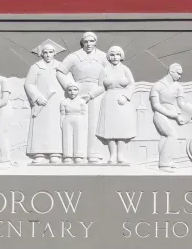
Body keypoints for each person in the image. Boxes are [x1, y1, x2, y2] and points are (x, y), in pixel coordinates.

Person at [56, 31, 108, 164]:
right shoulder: (74, 57)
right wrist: (70, 88)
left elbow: (108, 77)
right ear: (82, 42)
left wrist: (93, 94)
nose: (89, 44)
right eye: (86, 41)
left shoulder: (103, 57)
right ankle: (75, 154)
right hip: (77, 93)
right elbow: (61, 72)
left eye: (91, 41)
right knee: (77, 123)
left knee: (94, 123)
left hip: (96, 91)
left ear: (96, 42)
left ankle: (93, 153)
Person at [23, 39, 65, 164]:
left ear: (54, 53)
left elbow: (67, 81)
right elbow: (29, 84)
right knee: (40, 127)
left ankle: (55, 152)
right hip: (41, 103)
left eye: (50, 52)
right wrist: (37, 97)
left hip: (56, 101)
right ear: (42, 54)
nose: (48, 55)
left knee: (55, 126)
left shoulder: (60, 66)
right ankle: (39, 153)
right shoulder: (36, 67)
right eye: (45, 52)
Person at [150, 63, 192, 172]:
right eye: (178, 73)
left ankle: (167, 160)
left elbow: (181, 104)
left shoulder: (178, 87)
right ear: (171, 71)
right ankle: (164, 163)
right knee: (172, 135)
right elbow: (155, 105)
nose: (180, 76)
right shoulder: (157, 85)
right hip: (161, 114)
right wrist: (169, 113)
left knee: (165, 137)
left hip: (173, 115)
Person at [95, 46, 137, 165]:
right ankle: (112, 155)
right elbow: (100, 87)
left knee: (121, 128)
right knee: (110, 129)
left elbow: (131, 84)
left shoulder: (125, 69)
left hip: (123, 101)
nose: (115, 57)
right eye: (112, 54)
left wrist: (126, 96)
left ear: (121, 56)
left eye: (117, 54)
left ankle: (121, 155)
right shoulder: (104, 70)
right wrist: (90, 95)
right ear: (109, 56)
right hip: (109, 100)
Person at [60, 83, 88, 164]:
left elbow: (84, 114)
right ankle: (67, 156)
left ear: (78, 91)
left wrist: (84, 124)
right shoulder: (64, 102)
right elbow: (62, 114)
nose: (72, 92)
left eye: (75, 90)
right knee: (67, 137)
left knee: (78, 137)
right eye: (70, 90)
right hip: (67, 120)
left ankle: (78, 156)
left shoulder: (82, 102)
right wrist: (61, 124)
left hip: (79, 120)